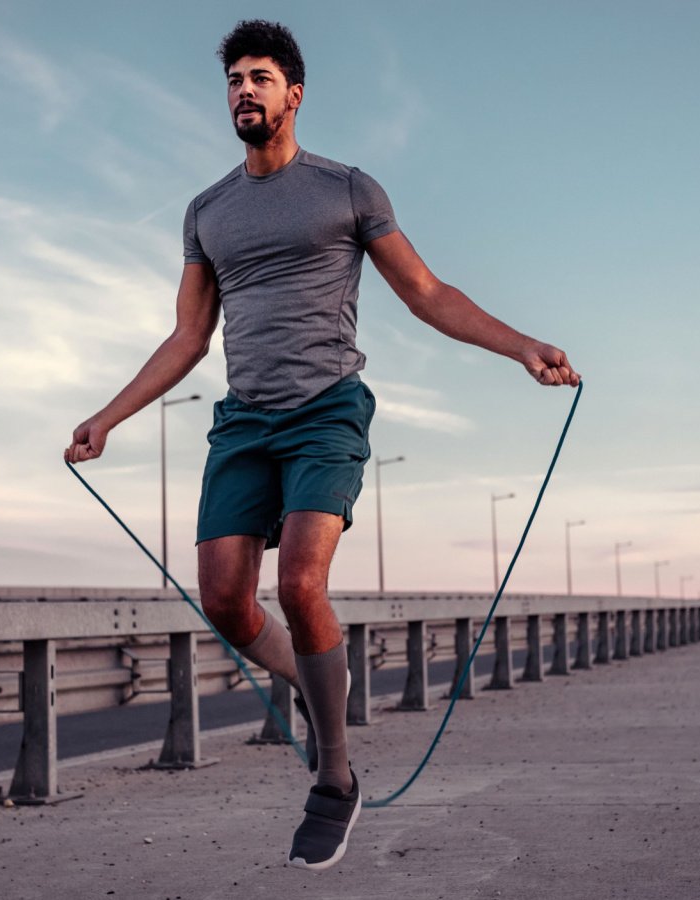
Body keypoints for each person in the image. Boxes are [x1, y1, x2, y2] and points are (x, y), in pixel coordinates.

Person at [65, 19, 579, 871]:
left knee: (300, 582)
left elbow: (426, 293)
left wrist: (521, 345)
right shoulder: (207, 212)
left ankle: (335, 778)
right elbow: (188, 337)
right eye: (234, 80)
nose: (244, 92)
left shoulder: (346, 189)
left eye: (260, 78)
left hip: (325, 411)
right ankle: (319, 684)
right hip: (243, 421)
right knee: (227, 601)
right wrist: (108, 417)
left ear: (293, 94)